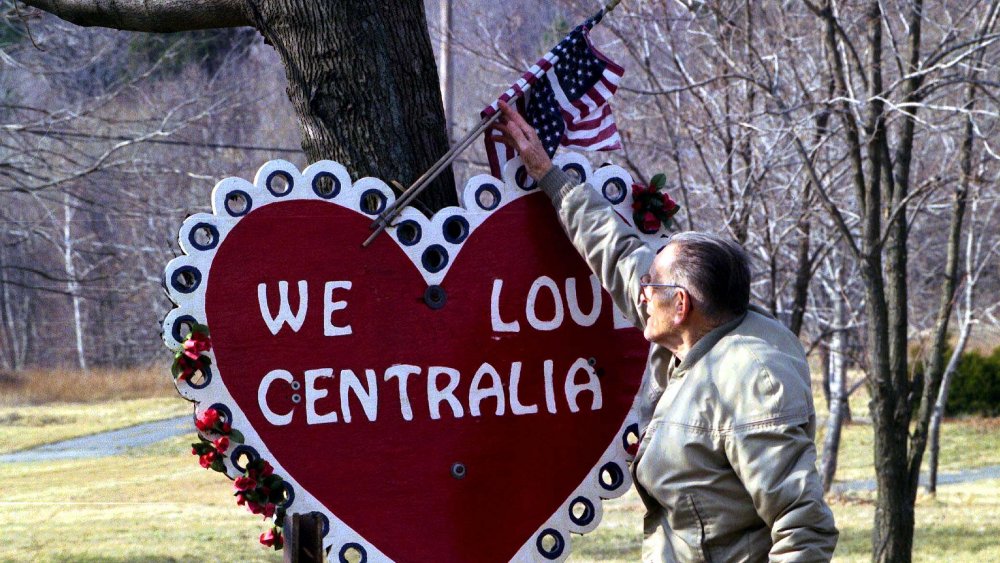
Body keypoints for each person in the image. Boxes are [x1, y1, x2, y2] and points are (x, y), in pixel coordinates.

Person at [493, 102, 839, 562]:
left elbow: (804, 532)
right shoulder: (697, 330)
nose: (640, 294)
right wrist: (547, 173)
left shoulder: (754, 376)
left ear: (680, 305)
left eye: (651, 286)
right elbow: (617, 254)